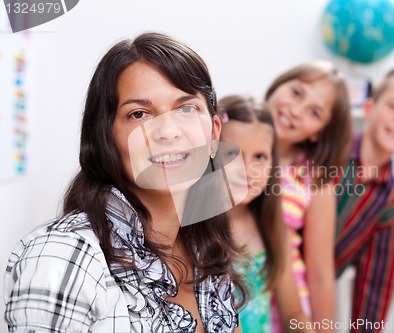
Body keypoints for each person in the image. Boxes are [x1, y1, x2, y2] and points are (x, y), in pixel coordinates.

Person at [4, 32, 246, 333]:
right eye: (139, 114)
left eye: (186, 108)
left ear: (213, 134)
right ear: (106, 137)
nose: (168, 132)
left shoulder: (204, 246)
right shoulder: (62, 255)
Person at [334, 64, 394, 333]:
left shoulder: (391, 205)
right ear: (368, 108)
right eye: (393, 106)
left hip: (310, 301)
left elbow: (374, 288)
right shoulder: (330, 152)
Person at [265, 61, 353, 332]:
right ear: (280, 83)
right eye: (296, 93)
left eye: (314, 112)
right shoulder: (226, 138)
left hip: (286, 310)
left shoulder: (315, 178)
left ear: (319, 133)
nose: (296, 110)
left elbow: (320, 274)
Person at [218, 95, 315, 333]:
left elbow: (293, 313)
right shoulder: (196, 230)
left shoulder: (273, 229)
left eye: (260, 157)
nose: (248, 170)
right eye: (232, 154)